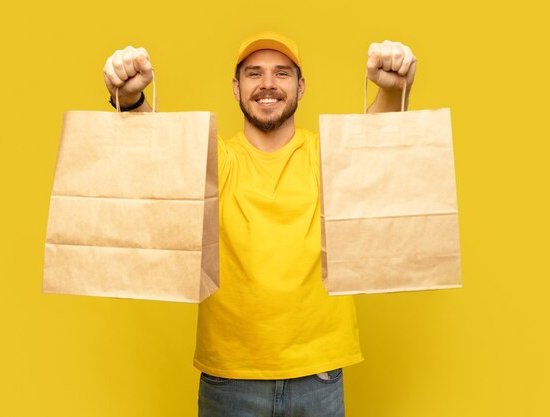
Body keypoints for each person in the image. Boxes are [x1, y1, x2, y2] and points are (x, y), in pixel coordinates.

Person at [102, 32, 416, 417]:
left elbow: (375, 145)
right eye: (254, 74)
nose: (267, 84)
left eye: (281, 73)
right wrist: (131, 99)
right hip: (228, 379)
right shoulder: (220, 160)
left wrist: (391, 90)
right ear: (236, 88)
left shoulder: (323, 156)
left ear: (301, 87)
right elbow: (163, 151)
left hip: (318, 376)